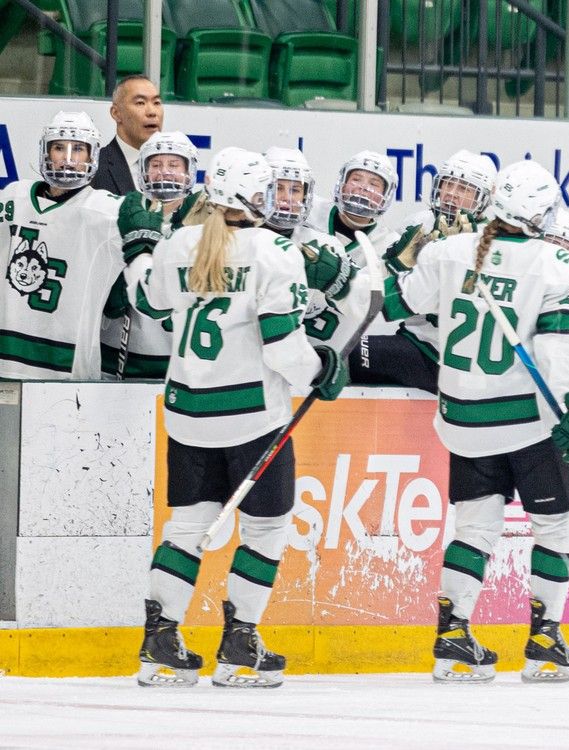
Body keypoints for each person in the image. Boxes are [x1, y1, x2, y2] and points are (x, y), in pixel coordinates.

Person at [126, 148, 348, 688]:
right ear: (250, 196)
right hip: (252, 416)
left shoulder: (180, 242)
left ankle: (160, 642)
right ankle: (241, 642)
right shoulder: (274, 251)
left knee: (187, 528)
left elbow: (146, 302)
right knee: (267, 531)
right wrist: (324, 364)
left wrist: (136, 249)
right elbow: (282, 349)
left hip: (187, 414)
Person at [383, 160, 569, 684]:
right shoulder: (553, 264)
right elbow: (558, 348)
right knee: (558, 523)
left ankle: (453, 638)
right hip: (525, 422)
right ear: (542, 215)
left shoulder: (449, 251)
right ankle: (545, 641)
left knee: (475, 526)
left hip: (463, 418)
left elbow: (394, 302)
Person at [0, 111, 127, 380]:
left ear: (92, 156)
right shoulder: (13, 198)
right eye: (59, 147)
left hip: (68, 368)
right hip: (5, 357)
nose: (68, 158)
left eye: (78, 149)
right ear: (46, 152)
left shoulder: (108, 212)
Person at [359, 149, 498, 393]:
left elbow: (401, 303)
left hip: (444, 357)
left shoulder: (491, 245)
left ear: (483, 200)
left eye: (464, 189)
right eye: (448, 184)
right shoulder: (418, 224)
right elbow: (376, 295)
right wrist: (396, 265)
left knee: (339, 359)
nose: (451, 195)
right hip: (416, 342)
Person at [100, 131, 199, 379]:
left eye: (174, 164)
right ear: (143, 171)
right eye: (156, 164)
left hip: (180, 361)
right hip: (120, 357)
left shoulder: (204, 228)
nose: (164, 171)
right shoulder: (121, 214)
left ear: (190, 171)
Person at [262, 146, 365, 354]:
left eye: (295, 190)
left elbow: (360, 305)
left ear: (306, 194)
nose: (286, 198)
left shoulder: (325, 246)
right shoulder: (235, 239)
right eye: (278, 187)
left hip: (299, 361)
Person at [91, 75, 164, 195]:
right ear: (116, 113)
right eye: (140, 103)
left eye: (157, 102)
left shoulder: (173, 170)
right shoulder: (95, 169)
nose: (152, 112)